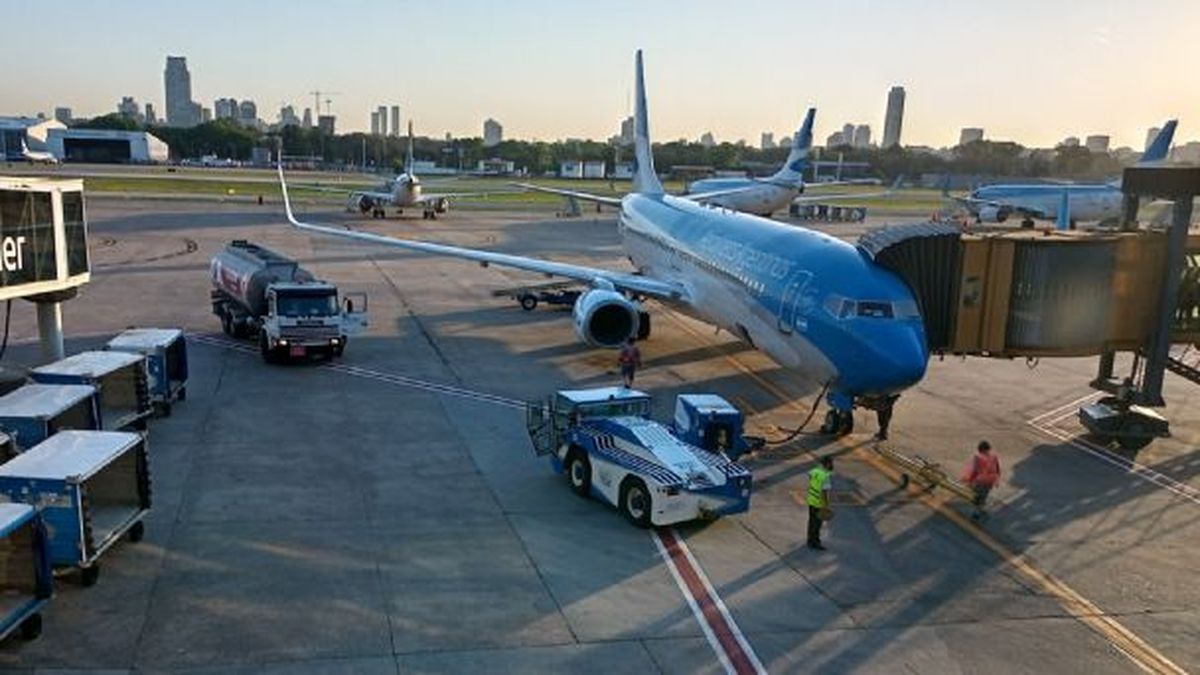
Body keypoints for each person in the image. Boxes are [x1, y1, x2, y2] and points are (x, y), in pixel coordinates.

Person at [963, 440, 1001, 521]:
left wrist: (969, 480)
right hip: (990, 480)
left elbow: (975, 470)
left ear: (980, 449)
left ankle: (976, 513)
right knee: (984, 495)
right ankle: (980, 508)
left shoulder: (978, 457)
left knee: (976, 496)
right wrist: (997, 480)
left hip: (981, 480)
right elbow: (997, 469)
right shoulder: (994, 456)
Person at [806, 456, 834, 550]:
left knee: (811, 521)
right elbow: (824, 492)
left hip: (811, 499)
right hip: (819, 503)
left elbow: (810, 476)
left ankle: (810, 540)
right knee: (817, 524)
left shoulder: (815, 471)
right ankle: (815, 542)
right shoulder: (825, 477)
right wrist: (826, 505)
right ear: (828, 464)